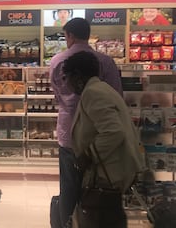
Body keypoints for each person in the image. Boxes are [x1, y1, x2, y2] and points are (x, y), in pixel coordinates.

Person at [49, 17, 123, 228]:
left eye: (65, 36)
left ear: (70, 35)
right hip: (99, 137)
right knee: (97, 187)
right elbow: (116, 95)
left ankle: (67, 224)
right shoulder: (105, 61)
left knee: (68, 187)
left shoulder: (57, 61)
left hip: (68, 133)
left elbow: (57, 95)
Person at [65, 51, 145, 228]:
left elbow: (113, 131)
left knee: (101, 218)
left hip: (107, 175)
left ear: (77, 76)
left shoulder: (93, 93)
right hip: (110, 174)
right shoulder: (101, 88)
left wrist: (87, 154)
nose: (66, 83)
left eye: (67, 77)